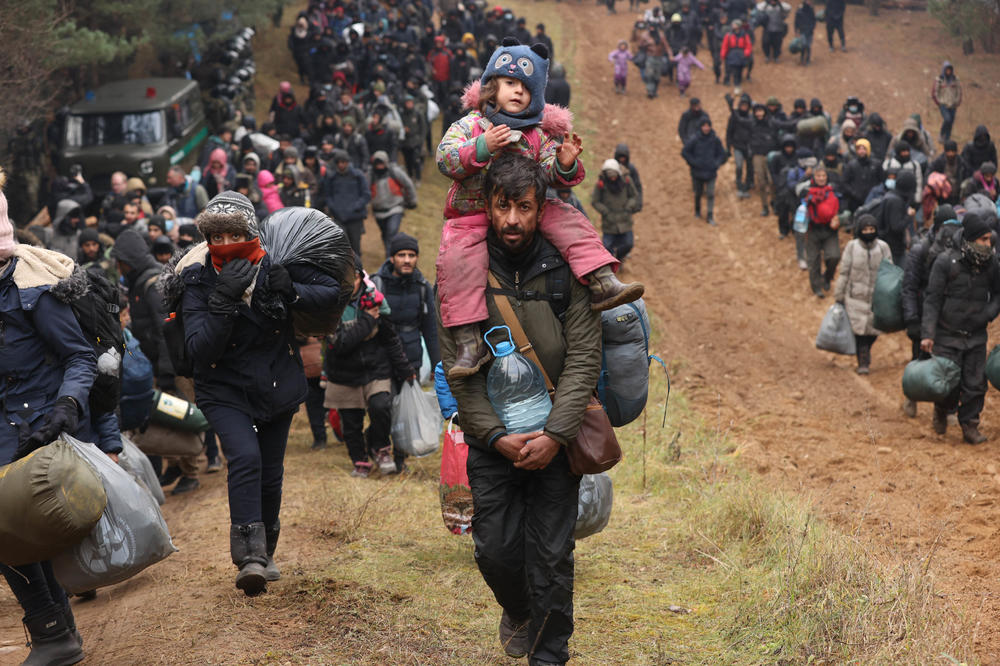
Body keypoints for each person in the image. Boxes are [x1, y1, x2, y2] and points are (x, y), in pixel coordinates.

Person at [438, 152, 601, 666]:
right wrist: (493, 436)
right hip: (494, 444)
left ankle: (550, 654)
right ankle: (520, 610)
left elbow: (584, 357)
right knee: (496, 551)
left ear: (539, 208)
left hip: (557, 436)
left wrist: (555, 434)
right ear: (486, 204)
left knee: (552, 557)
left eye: (524, 207)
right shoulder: (461, 270)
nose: (512, 220)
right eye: (503, 206)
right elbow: (455, 367)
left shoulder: (567, 267)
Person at [161, 192, 342, 595]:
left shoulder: (275, 262)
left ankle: (268, 548)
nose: (226, 243)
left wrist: (291, 290)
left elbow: (332, 294)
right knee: (245, 457)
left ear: (250, 231)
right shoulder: (195, 278)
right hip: (222, 387)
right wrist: (223, 300)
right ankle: (250, 557)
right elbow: (198, 350)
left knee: (271, 472)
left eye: (234, 234)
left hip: (277, 383)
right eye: (217, 235)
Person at [435, 40, 642, 380]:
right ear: (491, 86)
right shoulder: (470, 125)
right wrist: (483, 146)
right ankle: (468, 340)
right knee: (457, 262)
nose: (518, 92)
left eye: (526, 88)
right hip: (471, 213)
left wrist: (563, 165)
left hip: (530, 210)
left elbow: (547, 169)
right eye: (510, 83)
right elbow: (446, 158)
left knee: (570, 218)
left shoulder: (535, 134)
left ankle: (602, 278)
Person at [0, 181, 96, 666]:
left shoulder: (33, 290)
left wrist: (66, 408)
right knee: (7, 533)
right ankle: (55, 633)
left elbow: (81, 356)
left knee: (16, 528)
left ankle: (55, 634)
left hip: (38, 428)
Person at [324, 256, 414, 477]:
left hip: (376, 369)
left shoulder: (376, 301)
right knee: (351, 422)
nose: (349, 282)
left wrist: (405, 368)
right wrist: (366, 321)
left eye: (352, 277)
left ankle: (381, 449)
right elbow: (340, 343)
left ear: (360, 277)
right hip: (343, 373)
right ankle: (360, 461)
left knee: (381, 406)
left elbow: (390, 338)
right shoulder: (328, 305)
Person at [921, 213, 1000, 444]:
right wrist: (927, 333)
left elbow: (998, 293)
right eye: (984, 239)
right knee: (949, 385)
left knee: (975, 384)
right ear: (971, 239)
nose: (988, 244)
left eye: (990, 240)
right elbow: (932, 299)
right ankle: (941, 410)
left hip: (976, 335)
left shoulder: (991, 265)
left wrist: (988, 313)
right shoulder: (946, 262)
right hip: (947, 334)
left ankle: (970, 425)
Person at [900, 205, 962, 417]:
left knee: (948, 363)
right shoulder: (920, 249)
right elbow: (909, 286)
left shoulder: (958, 250)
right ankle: (912, 396)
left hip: (947, 316)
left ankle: (945, 409)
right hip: (922, 314)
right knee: (920, 358)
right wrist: (912, 318)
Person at [372, 233, 441, 380]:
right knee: (382, 403)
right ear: (392, 258)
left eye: (412, 255)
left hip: (412, 359)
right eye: (401, 255)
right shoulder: (377, 285)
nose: (407, 260)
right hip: (381, 360)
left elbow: (431, 329)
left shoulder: (422, 287)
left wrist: (436, 365)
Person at [833, 215, 892, 374]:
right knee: (859, 332)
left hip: (876, 297)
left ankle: (865, 351)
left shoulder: (883, 248)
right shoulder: (852, 247)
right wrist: (839, 294)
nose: (868, 232)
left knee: (873, 332)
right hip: (855, 297)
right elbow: (844, 272)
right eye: (865, 229)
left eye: (871, 229)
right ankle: (863, 361)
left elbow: (889, 272)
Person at [319, 149, 370, 255]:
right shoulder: (332, 177)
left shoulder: (358, 175)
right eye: (339, 162)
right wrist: (334, 208)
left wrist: (356, 206)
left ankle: (358, 269)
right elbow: (328, 195)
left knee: (356, 246)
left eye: (344, 162)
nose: (341, 165)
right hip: (339, 217)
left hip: (355, 217)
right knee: (342, 246)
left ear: (348, 162)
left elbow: (366, 195)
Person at [369, 151, 418, 257]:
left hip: (395, 208)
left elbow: (408, 184)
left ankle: (390, 257)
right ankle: (390, 251)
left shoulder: (394, 171)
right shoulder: (370, 175)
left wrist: (412, 201)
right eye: (377, 164)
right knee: (385, 234)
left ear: (386, 162)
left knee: (391, 233)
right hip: (378, 211)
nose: (379, 166)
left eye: (381, 163)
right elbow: (364, 191)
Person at [681, 118, 728, 226]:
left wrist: (716, 163)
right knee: (698, 193)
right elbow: (685, 152)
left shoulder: (715, 139)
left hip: (711, 172)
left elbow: (722, 154)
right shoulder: (694, 139)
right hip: (697, 172)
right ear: (701, 127)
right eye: (704, 126)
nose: (706, 128)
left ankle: (710, 215)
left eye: (708, 126)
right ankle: (697, 210)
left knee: (710, 194)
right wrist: (694, 163)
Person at [591, 159, 640, 260]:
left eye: (614, 176)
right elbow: (595, 201)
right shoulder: (601, 184)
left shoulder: (626, 180)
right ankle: (611, 264)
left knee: (628, 244)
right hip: (609, 223)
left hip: (625, 220)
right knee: (607, 248)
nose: (613, 178)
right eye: (610, 177)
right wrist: (605, 212)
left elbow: (634, 196)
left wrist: (628, 207)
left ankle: (620, 258)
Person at [804, 166, 841, 297]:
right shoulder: (806, 191)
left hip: (830, 230)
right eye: (818, 176)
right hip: (813, 229)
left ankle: (827, 277)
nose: (821, 178)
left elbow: (842, 207)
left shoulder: (833, 191)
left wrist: (838, 218)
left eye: (823, 176)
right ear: (814, 177)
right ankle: (817, 287)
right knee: (813, 260)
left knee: (834, 256)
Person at [879, 170, 917, 265]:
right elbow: (896, 226)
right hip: (893, 248)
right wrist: (909, 216)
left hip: (891, 245)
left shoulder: (891, 195)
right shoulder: (896, 201)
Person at [932, 61, 962, 143]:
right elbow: (935, 92)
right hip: (943, 104)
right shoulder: (939, 80)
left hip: (953, 104)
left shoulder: (955, 80)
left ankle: (947, 139)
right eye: (947, 70)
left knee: (951, 122)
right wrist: (939, 102)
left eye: (950, 70)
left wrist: (957, 102)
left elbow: (959, 91)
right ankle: (942, 134)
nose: (948, 72)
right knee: (947, 119)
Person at [720, 20, 753, 86]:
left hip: (740, 54)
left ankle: (737, 83)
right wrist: (723, 55)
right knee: (728, 68)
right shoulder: (728, 35)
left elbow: (748, 45)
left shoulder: (744, 35)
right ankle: (727, 80)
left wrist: (746, 53)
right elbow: (725, 46)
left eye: (734, 24)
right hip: (731, 54)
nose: (733, 26)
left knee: (739, 69)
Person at [614, 144, 643, 212]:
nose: (622, 159)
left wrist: (638, 203)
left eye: (623, 157)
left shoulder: (631, 169)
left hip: (627, 203)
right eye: (620, 157)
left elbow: (637, 186)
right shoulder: (611, 168)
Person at [793, 0, 816, 65]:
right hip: (802, 30)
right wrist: (796, 30)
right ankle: (802, 58)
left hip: (809, 31)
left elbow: (813, 20)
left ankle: (807, 59)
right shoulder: (800, 10)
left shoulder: (811, 9)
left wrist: (812, 27)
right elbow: (796, 21)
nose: (809, 2)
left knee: (808, 46)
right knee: (803, 45)